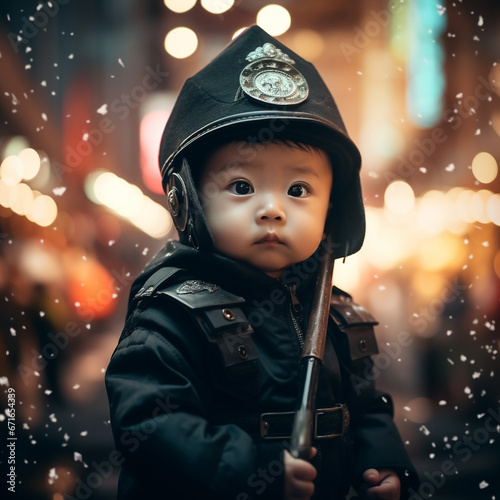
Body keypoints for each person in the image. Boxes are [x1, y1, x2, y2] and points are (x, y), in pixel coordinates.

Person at [105, 25, 420, 499]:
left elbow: (367, 406)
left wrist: (381, 463)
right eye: (241, 187)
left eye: (298, 190)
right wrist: (255, 470)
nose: (272, 209)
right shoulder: (171, 316)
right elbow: (150, 426)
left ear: (332, 207)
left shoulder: (333, 311)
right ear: (188, 199)